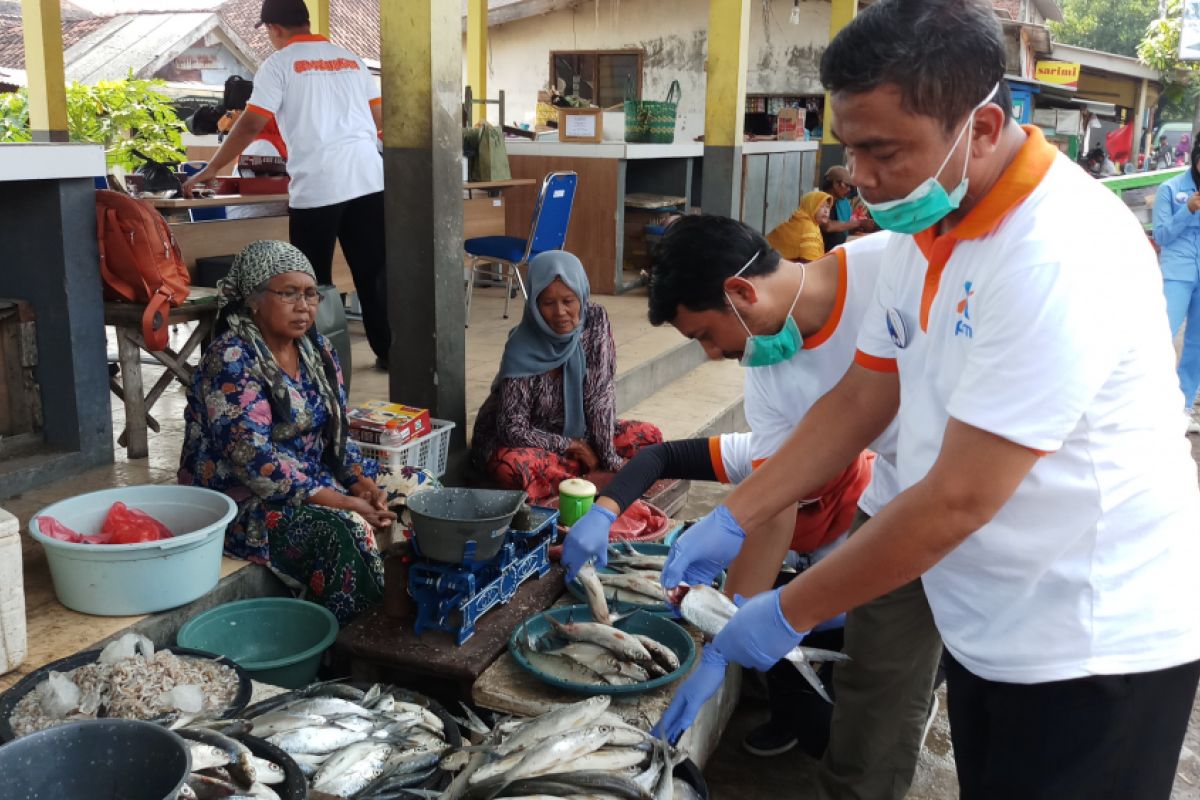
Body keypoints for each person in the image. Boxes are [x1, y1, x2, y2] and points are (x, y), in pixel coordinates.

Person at [654, 3, 1200, 799]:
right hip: (991, 617)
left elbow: (956, 499)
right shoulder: (922, 235)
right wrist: (736, 514)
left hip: (1090, 637)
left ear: (981, 126)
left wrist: (786, 611)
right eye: (852, 151)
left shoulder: (1058, 251)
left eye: (885, 151)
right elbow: (862, 396)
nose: (862, 180)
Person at [562, 219, 943, 779]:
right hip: (894, 497)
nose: (714, 354)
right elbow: (772, 510)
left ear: (741, 293)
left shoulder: (892, 265)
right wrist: (719, 640)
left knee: (977, 674)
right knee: (873, 686)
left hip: (971, 483)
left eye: (707, 336)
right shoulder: (767, 375)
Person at [178, 240, 432, 624]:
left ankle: (419, 604)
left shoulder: (319, 351)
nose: (304, 306)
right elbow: (253, 460)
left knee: (419, 486)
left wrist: (361, 482)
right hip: (248, 500)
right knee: (345, 529)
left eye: (311, 294)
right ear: (254, 300)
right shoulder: (231, 358)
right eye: (289, 293)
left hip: (314, 478)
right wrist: (344, 502)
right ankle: (362, 636)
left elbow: (336, 429)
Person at [182, 0, 391, 368]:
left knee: (308, 283)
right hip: (369, 180)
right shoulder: (352, 61)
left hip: (318, 187)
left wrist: (210, 170)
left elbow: (250, 124)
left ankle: (316, 361)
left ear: (273, 28)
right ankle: (389, 352)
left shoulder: (278, 65)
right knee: (373, 274)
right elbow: (380, 120)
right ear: (306, 21)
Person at [471, 251, 663, 501]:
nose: (560, 312)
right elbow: (512, 428)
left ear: (581, 297)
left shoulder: (594, 320)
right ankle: (582, 479)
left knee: (650, 436)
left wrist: (607, 459)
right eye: (548, 303)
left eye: (568, 301)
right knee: (512, 467)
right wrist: (573, 446)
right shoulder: (522, 346)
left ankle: (577, 479)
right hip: (535, 443)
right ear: (535, 305)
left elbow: (600, 395)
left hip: (583, 433)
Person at [1153, 133, 1200, 435]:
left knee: (1197, 344)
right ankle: (1148, 401)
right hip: (1177, 272)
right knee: (1159, 337)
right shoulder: (1169, 189)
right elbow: (1160, 236)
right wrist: (1188, 211)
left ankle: (1184, 405)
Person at [767, 190, 833, 262]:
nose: (826, 211)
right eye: (821, 206)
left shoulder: (807, 223)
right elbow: (810, 263)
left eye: (827, 207)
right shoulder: (808, 226)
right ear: (810, 206)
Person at [820, 166, 866, 251]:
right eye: (847, 185)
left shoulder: (841, 202)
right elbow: (827, 226)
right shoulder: (820, 201)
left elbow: (843, 226)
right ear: (836, 184)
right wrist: (859, 223)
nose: (849, 190)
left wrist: (856, 228)